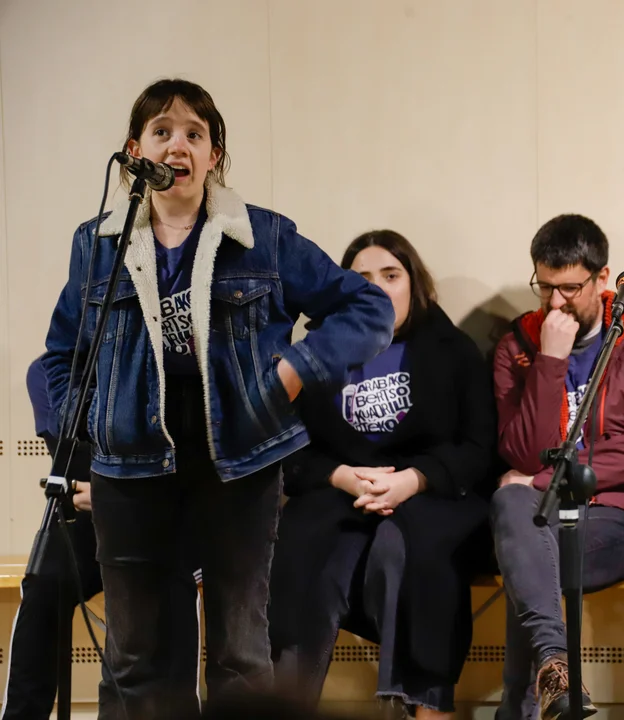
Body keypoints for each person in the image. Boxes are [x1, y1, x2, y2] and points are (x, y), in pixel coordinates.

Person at [42, 78, 395, 718]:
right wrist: (88, 426)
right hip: (131, 471)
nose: (177, 145)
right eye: (161, 132)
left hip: (240, 463)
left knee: (240, 654)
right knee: (138, 657)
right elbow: (61, 356)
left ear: (214, 156)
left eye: (194, 134)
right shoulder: (96, 244)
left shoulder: (264, 236)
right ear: (135, 151)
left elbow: (368, 308)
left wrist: (296, 369)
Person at [269, 230, 496, 719]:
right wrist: (341, 476)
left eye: (391, 276)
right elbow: (291, 455)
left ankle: (422, 706)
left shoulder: (453, 350)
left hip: (434, 493)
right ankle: (286, 701)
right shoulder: (316, 354)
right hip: (341, 491)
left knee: (409, 550)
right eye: (362, 279)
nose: (377, 288)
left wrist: (414, 479)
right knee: (304, 548)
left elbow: (478, 449)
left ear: (414, 283)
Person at [490, 214, 624, 719]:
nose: (555, 302)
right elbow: (521, 454)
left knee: (527, 558)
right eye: (545, 287)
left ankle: (520, 707)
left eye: (570, 288)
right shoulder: (517, 347)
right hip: (540, 515)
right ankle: (557, 669)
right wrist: (550, 362)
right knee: (514, 509)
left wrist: (541, 478)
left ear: (602, 278)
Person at [2, 356, 201, 720]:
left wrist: (119, 495)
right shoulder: (47, 372)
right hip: (88, 519)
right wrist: (108, 495)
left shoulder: (164, 364)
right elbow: (73, 461)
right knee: (44, 582)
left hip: (161, 514)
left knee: (174, 590)